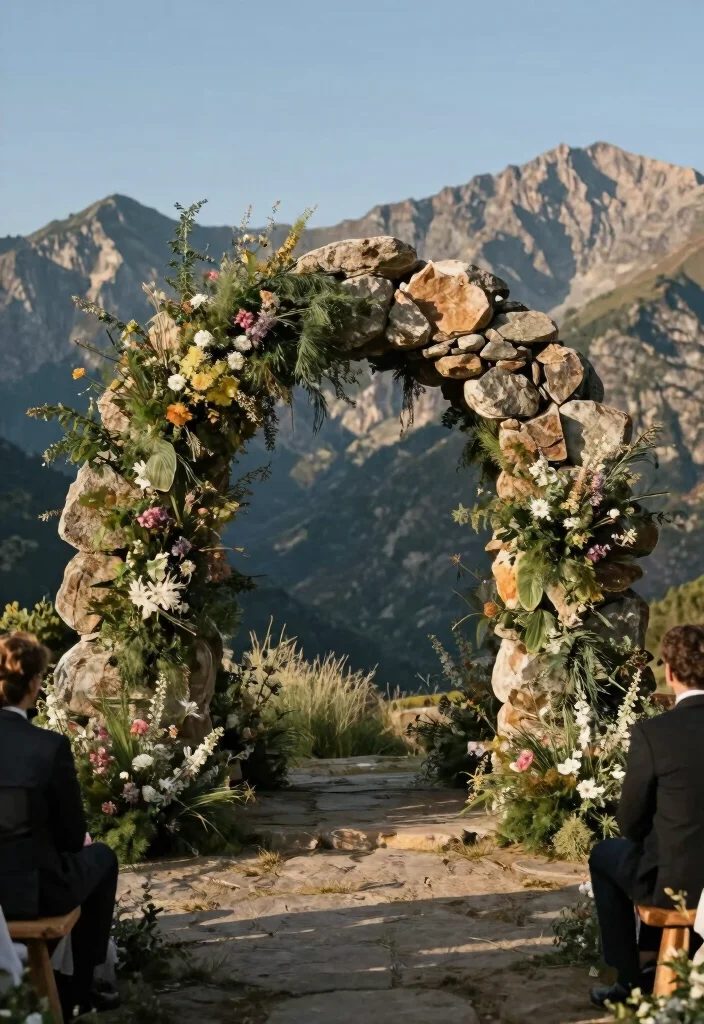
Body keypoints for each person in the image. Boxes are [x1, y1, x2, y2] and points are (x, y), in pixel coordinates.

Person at [0, 632, 120, 1016]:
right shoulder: (47, 747)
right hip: (27, 895)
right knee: (102, 858)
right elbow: (71, 838)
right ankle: (80, 991)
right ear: (35, 684)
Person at [589, 623, 704, 1008]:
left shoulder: (654, 734)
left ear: (669, 672)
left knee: (607, 855)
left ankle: (629, 979)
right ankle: (653, 958)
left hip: (678, 888)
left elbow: (630, 822)